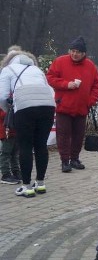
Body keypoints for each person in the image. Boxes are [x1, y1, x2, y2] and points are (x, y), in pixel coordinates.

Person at [0, 48, 56, 197]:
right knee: (41, 146)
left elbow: (2, 96)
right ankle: (41, 184)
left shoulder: (7, 70)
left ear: (9, 60)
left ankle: (26, 186)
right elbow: (50, 90)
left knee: (25, 147)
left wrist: (10, 110)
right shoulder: (37, 70)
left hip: (25, 108)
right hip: (48, 107)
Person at [46, 36, 98, 172]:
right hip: (63, 106)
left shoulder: (90, 65)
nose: (74, 54)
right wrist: (66, 84)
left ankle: (75, 159)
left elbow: (96, 85)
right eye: (72, 51)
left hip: (82, 107)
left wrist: (90, 101)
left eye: (78, 52)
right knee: (63, 135)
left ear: (84, 53)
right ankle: (65, 161)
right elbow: (50, 78)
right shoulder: (60, 62)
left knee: (78, 135)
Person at [0, 104, 21, 185]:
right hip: (6, 131)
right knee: (5, 153)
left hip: (14, 131)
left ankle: (16, 171)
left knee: (14, 153)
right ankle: (5, 174)